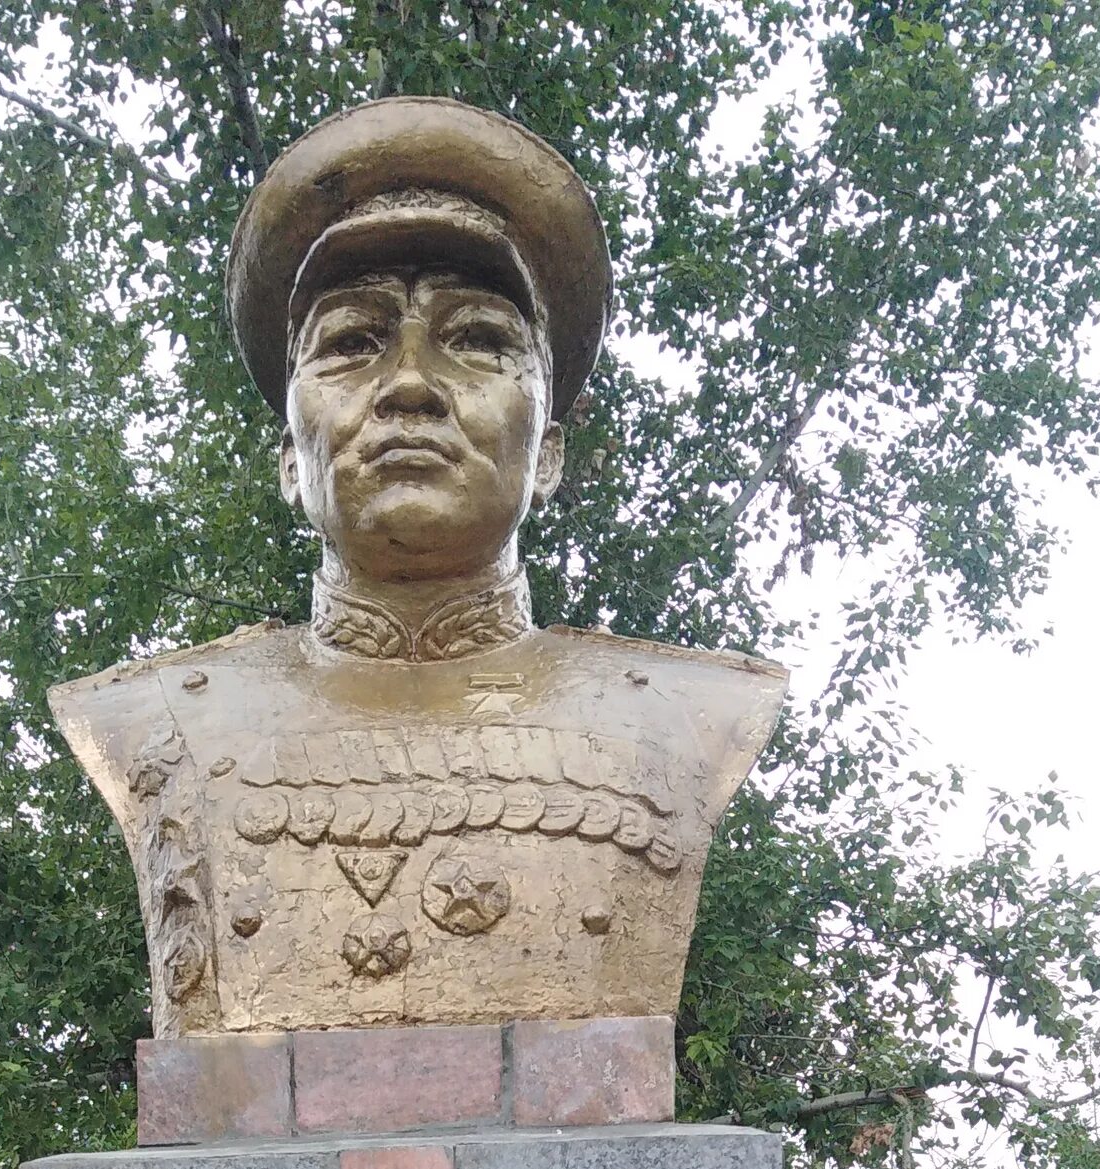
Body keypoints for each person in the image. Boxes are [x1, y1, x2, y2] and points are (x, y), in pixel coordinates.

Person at [50, 97, 788, 1036]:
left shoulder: (691, 719)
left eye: (477, 338)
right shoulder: (150, 724)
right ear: (289, 458)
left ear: (550, 452)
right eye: (352, 341)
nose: (407, 384)